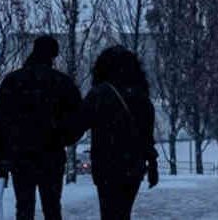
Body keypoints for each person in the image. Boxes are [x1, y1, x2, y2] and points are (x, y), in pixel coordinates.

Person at [0, 35, 82, 220]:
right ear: (53, 55)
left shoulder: (13, 81)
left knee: (24, 207)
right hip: (52, 155)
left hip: (21, 155)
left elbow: (0, 119)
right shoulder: (62, 83)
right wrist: (62, 139)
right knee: (52, 207)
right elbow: (78, 119)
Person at [67, 45, 158, 220]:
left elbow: (77, 126)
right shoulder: (141, 97)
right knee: (124, 212)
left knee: (109, 213)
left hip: (106, 166)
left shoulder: (99, 94)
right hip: (134, 166)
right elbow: (147, 136)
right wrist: (152, 165)